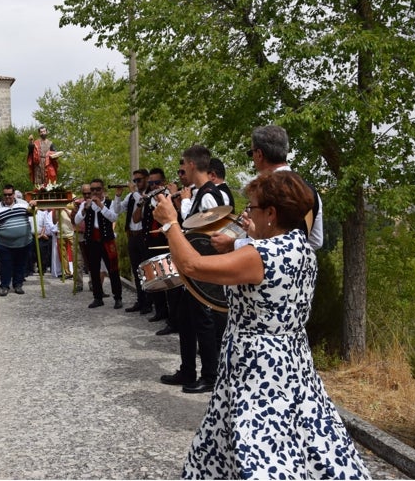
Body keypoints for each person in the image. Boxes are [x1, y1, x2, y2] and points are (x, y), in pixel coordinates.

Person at [153, 171, 370, 479]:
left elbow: (191, 266)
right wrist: (237, 246)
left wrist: (169, 223)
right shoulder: (301, 247)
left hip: (256, 364)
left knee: (259, 446)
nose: (248, 214)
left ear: (271, 213)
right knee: (301, 435)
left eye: (253, 208)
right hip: (292, 357)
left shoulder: (262, 255)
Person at [160, 146, 226, 393]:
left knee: (203, 321)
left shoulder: (208, 195)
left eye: (182, 164)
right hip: (194, 268)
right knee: (186, 319)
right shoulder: (200, 193)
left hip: (203, 269)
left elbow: (212, 236)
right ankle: (188, 369)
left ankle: (210, 375)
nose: (181, 170)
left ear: (190, 164)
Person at [212, 124, 323, 253]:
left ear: (259, 154)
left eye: (251, 153)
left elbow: (273, 244)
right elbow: (316, 241)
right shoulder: (310, 190)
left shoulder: (265, 190)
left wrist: (233, 244)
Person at [132, 168, 183, 334]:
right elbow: (136, 219)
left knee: (171, 284)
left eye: (157, 183)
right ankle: (160, 312)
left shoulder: (169, 197)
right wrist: (141, 203)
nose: (154, 186)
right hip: (150, 244)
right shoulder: (148, 198)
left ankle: (174, 320)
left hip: (166, 245)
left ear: (163, 182)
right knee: (156, 280)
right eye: (151, 183)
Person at [73, 178, 124, 309]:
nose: (94, 192)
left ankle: (117, 297)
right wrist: (84, 209)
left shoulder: (109, 203)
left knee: (113, 269)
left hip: (107, 240)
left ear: (103, 190)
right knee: (94, 270)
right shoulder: (86, 204)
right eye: (92, 190)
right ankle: (97, 297)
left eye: (97, 189)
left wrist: (101, 206)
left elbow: (113, 217)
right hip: (92, 241)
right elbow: (77, 220)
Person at [0, 184, 34, 296]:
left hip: (24, 241)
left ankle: (18, 285)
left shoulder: (23, 204)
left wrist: (33, 206)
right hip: (5, 243)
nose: (7, 197)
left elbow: (32, 213)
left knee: (21, 264)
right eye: (5, 195)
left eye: (10, 194)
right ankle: (4, 286)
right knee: (5, 265)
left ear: (14, 194)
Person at [124, 169, 151, 314]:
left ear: (146, 179)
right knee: (136, 271)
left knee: (146, 270)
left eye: (138, 180)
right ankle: (141, 300)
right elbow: (117, 210)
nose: (136, 183)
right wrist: (116, 196)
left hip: (143, 236)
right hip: (132, 236)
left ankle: (149, 302)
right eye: (134, 181)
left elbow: (142, 202)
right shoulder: (131, 196)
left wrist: (134, 192)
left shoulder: (148, 194)